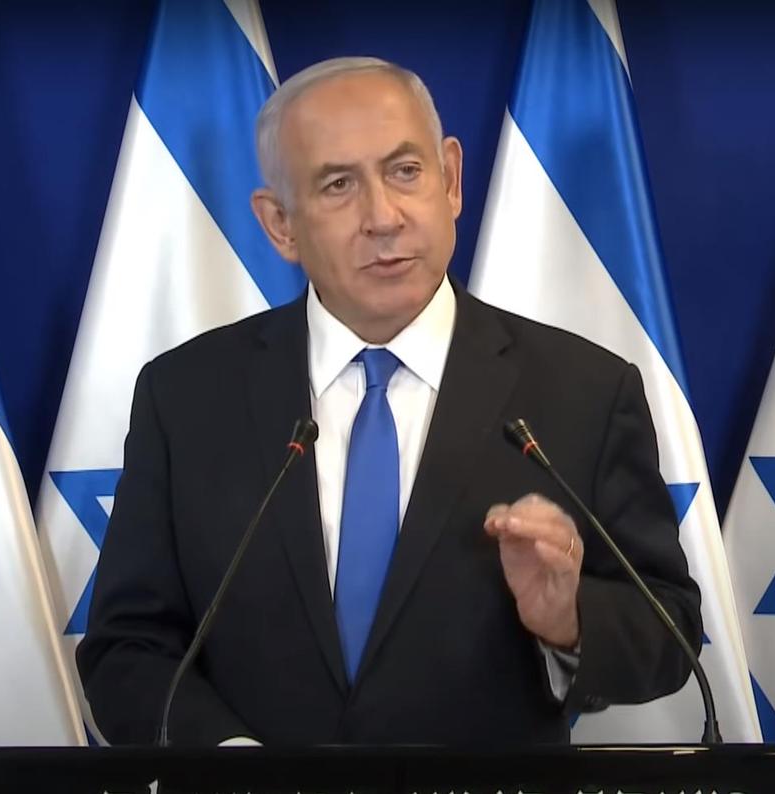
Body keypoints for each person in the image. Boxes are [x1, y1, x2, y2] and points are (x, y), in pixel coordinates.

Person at [77, 57, 701, 746]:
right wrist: (232, 765)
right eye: (338, 185)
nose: (383, 218)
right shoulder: (186, 396)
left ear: (451, 180)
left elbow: (669, 633)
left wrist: (568, 619)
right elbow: (127, 649)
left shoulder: (584, 390)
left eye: (405, 171)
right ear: (280, 225)